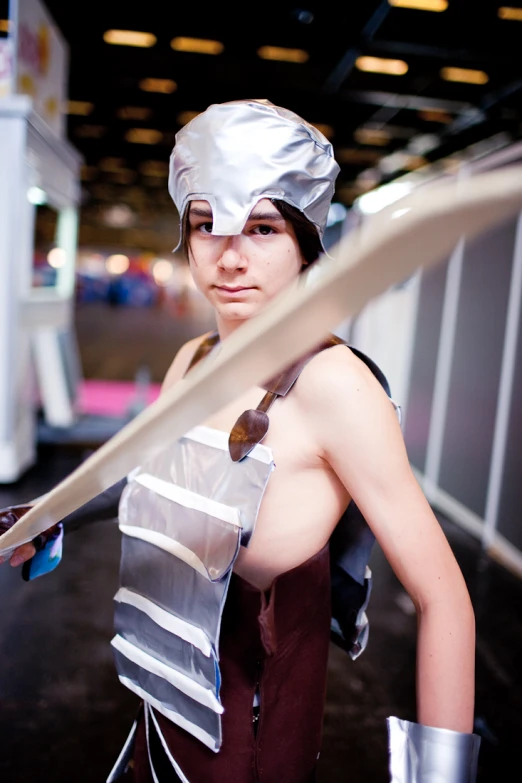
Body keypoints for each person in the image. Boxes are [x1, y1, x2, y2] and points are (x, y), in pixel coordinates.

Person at [0, 99, 480, 782]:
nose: (229, 257)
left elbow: (445, 599)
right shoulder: (195, 356)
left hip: (250, 734)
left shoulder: (335, 387)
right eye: (206, 224)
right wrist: (46, 515)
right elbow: (147, 468)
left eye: (260, 226)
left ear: (307, 239)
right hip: (158, 697)